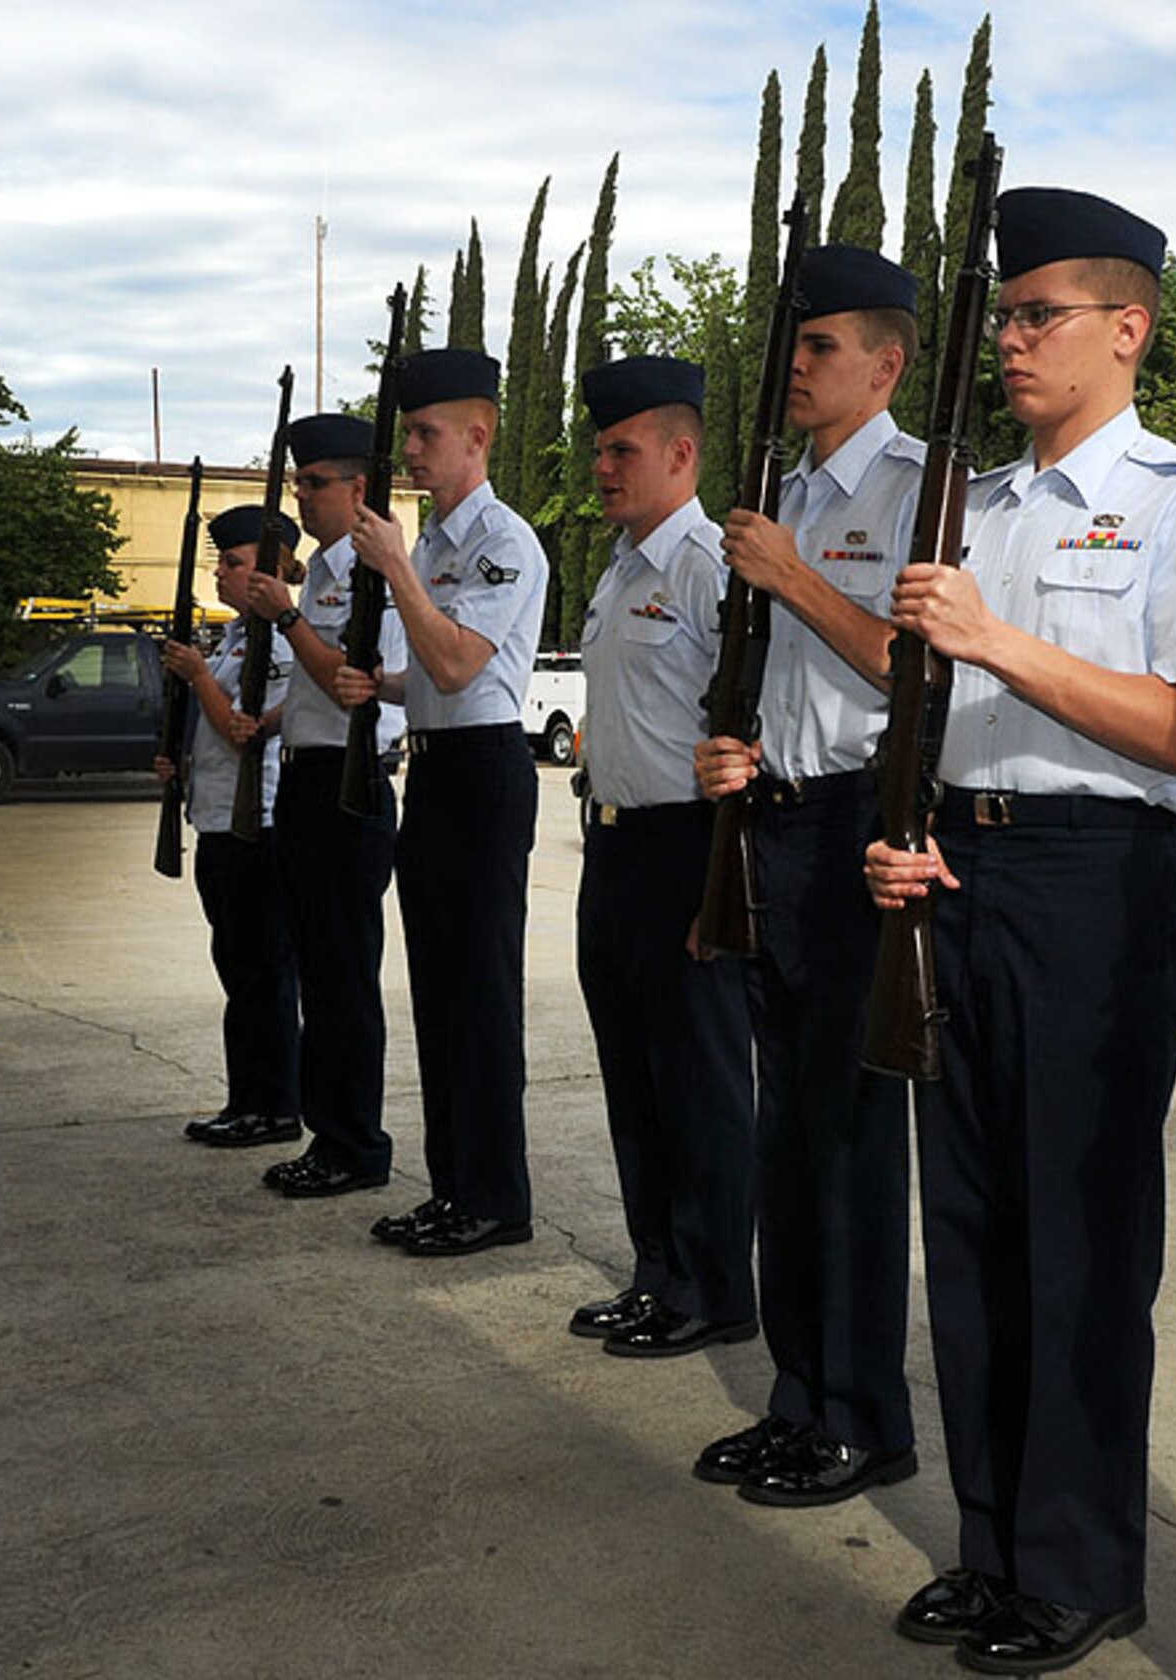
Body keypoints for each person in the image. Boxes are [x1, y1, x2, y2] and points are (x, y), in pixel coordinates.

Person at [864, 187, 1176, 1673]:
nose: (1015, 341)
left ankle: (1084, 1566)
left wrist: (993, 640)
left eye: (1041, 315)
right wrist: (900, 835)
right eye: (1009, 315)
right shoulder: (975, 499)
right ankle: (995, 1549)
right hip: (958, 880)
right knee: (969, 1241)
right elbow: (933, 715)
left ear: (1127, 327)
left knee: (1081, 1250)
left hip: (1100, 890)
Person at [690, 245, 924, 1505]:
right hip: (771, 821)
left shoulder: (912, 492)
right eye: (791, 343)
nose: (795, 364)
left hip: (852, 829)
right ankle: (797, 1395)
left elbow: (911, 667)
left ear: (883, 367)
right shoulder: (776, 485)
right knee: (784, 1133)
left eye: (820, 344)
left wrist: (788, 575)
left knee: (844, 1138)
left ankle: (862, 1412)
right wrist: (735, 750)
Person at [335, 348, 548, 1256]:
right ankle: (452, 1184)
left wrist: (400, 573)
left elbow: (463, 662)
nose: (413, 452)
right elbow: (431, 673)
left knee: (482, 996)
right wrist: (378, 687)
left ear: (477, 435)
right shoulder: (431, 543)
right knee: (437, 992)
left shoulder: (503, 542)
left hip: (485, 774)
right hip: (432, 765)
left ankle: (496, 1198)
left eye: (426, 434)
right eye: (409, 433)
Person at [565, 354, 757, 1357]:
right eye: (599, 448)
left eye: (621, 449)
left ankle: (716, 1285)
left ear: (681, 454)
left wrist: (721, 878)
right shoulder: (621, 565)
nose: (602, 465)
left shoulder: (707, 565)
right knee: (633, 1077)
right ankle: (657, 1272)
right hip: (614, 850)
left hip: (689, 846)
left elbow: (746, 723)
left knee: (700, 1084)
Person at [243, 412, 408, 1199]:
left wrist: (286, 616)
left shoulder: (368, 574)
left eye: (316, 483)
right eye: (301, 481)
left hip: (351, 779)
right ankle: (327, 1133)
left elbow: (348, 679)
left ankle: (354, 1143)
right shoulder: (326, 574)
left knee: (343, 974)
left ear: (358, 488)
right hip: (307, 777)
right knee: (317, 966)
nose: (303, 498)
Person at [163, 505, 303, 1151]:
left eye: (234, 562)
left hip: (259, 824)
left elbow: (242, 729)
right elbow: (216, 739)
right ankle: (246, 1097)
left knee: (262, 974)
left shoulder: (278, 638)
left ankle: (271, 1106)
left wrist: (196, 678)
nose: (221, 573)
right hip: (218, 821)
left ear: (270, 571)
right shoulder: (239, 636)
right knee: (238, 970)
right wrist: (181, 764)